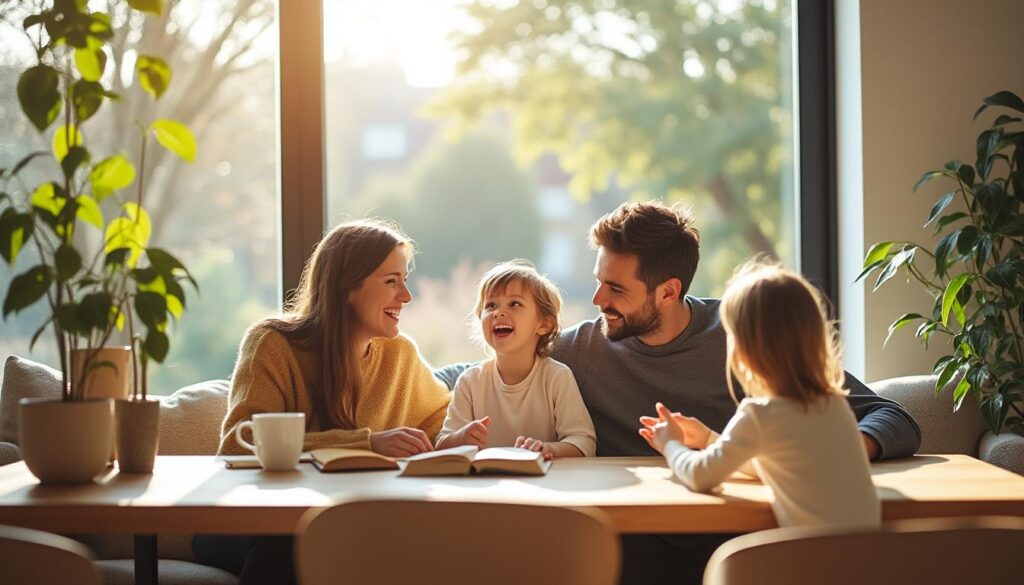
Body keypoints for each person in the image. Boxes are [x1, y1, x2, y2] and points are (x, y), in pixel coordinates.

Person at [436, 201, 919, 585]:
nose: (599, 300)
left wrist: (834, 451)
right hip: (632, 547)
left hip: (743, 546)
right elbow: (470, 373)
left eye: (615, 289)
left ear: (667, 292)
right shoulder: (584, 347)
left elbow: (889, 416)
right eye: (597, 283)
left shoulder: (742, 341)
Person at [194, 219, 451, 585]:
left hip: (342, 522)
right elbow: (238, 444)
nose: (406, 296)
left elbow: (440, 419)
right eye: (392, 281)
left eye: (404, 280)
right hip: (248, 521)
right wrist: (365, 444)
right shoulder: (272, 344)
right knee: (291, 542)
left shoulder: (400, 355)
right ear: (348, 287)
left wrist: (458, 436)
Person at [639, 258, 880, 528]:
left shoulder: (760, 415)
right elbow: (775, 463)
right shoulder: (833, 406)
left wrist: (670, 443)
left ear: (745, 350)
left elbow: (700, 476)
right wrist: (708, 438)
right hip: (867, 559)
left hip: (814, 563)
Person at [436, 260, 595, 459]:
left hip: (545, 484)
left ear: (544, 324)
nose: (499, 312)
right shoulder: (470, 381)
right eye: (490, 305)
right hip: (485, 485)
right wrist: (460, 439)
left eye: (515, 304)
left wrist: (548, 450)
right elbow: (442, 443)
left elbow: (584, 442)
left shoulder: (557, 377)